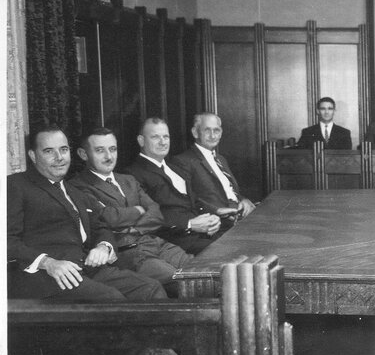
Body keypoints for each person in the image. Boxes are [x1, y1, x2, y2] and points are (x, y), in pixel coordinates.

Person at [8, 127, 165, 301]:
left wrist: (103, 246)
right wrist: (48, 263)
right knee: (111, 298)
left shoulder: (74, 191)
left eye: (63, 149)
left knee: (150, 288)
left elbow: (100, 227)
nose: (59, 157)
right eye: (49, 151)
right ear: (33, 155)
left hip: (87, 269)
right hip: (49, 276)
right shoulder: (15, 185)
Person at [69, 127, 194, 297]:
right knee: (182, 282)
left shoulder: (128, 180)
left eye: (113, 149)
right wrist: (139, 210)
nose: (109, 156)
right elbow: (107, 217)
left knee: (202, 271)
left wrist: (133, 228)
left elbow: (156, 213)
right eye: (100, 150)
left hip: (156, 243)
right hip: (130, 253)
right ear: (83, 154)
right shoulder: (78, 186)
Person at [125, 118, 223, 255]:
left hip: (204, 235)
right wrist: (189, 224)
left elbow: (194, 201)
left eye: (166, 137)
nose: (163, 142)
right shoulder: (132, 174)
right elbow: (147, 219)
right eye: (155, 137)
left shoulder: (175, 167)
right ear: (141, 141)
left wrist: (213, 218)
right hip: (175, 242)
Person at [172, 113, 256, 228]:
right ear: (195, 132)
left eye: (216, 130)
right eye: (207, 130)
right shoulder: (183, 161)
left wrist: (244, 200)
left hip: (239, 215)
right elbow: (188, 200)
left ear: (221, 133)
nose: (212, 136)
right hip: (216, 223)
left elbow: (229, 191)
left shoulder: (221, 159)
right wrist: (216, 211)